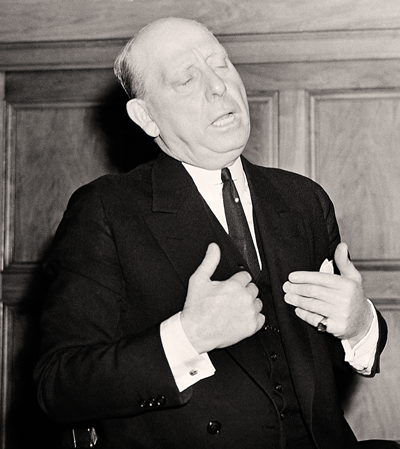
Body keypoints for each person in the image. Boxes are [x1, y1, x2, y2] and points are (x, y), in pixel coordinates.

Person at [34, 17, 389, 449]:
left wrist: (359, 323)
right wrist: (188, 337)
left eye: (221, 64)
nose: (219, 86)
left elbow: (338, 352)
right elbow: (59, 386)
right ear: (146, 117)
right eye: (187, 79)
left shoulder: (303, 200)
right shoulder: (106, 210)